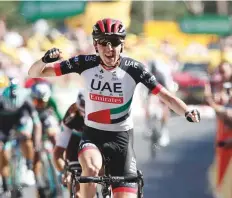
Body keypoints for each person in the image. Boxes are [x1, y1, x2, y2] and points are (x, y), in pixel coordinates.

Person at [28, 18, 201, 198]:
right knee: (91, 170)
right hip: (93, 136)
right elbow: (34, 73)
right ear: (95, 45)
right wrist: (44, 60)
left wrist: (187, 111)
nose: (109, 48)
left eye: (115, 42)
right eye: (103, 43)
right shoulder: (84, 63)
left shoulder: (134, 69)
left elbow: (165, 96)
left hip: (122, 141)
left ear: (122, 45)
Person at [0, 78, 42, 195]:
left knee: (26, 137)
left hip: (21, 122)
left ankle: (29, 168)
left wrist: (37, 143)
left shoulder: (25, 98)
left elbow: (36, 123)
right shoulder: (1, 98)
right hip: (4, 125)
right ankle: (5, 182)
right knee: (2, 151)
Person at [53, 89, 85, 198]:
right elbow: (58, 153)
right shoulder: (71, 116)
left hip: (98, 141)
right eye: (83, 114)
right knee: (77, 190)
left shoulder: (105, 111)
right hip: (76, 144)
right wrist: (65, 171)